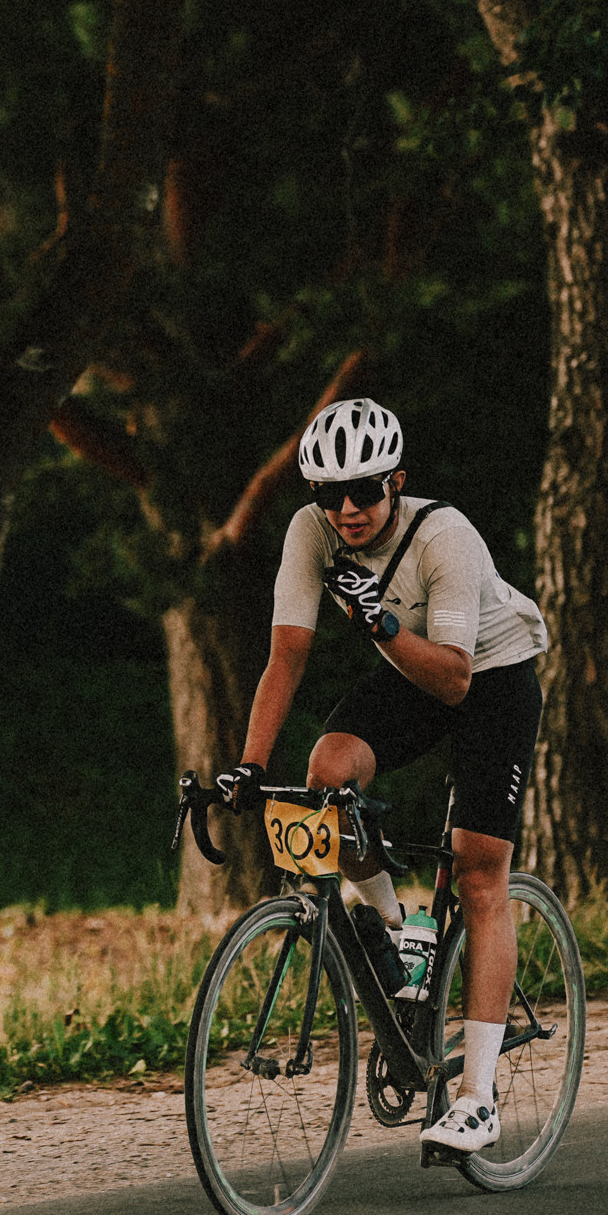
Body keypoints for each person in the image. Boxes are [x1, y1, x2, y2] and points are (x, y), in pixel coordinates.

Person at [215, 398, 547, 1154]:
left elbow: (458, 681)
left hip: (486, 676)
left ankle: (476, 1098)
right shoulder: (312, 533)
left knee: (477, 872)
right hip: (407, 667)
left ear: (397, 481)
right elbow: (287, 654)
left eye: (364, 490)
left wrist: (382, 625)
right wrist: (249, 765)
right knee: (329, 771)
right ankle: (403, 934)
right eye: (328, 495)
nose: (347, 509)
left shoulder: (446, 538)